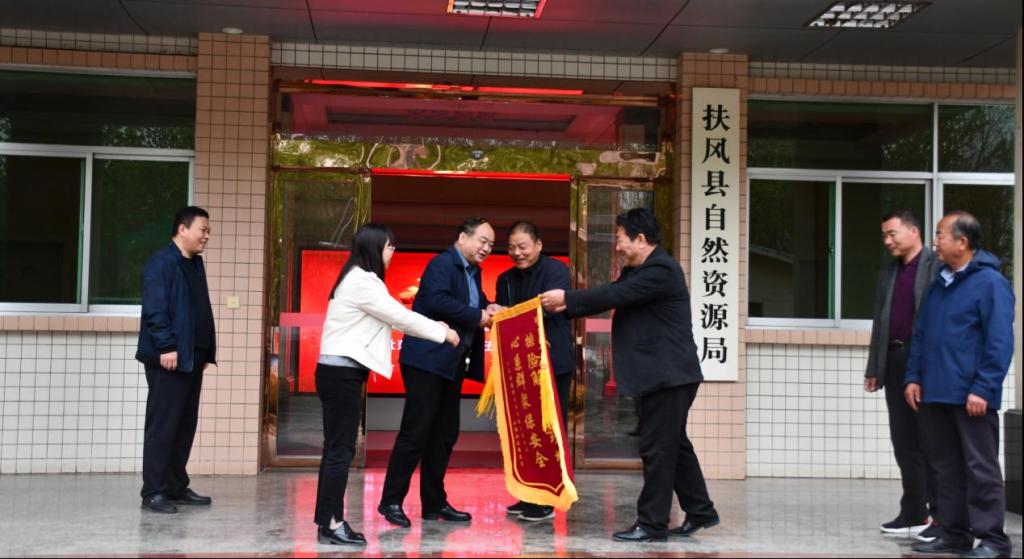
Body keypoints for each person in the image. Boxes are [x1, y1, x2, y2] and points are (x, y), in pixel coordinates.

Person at [539, 208, 717, 542]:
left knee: (656, 448)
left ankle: (652, 524)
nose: (618, 247)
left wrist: (568, 298)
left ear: (640, 238)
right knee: (674, 445)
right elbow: (610, 293)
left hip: (670, 376)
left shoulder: (661, 269)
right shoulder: (638, 270)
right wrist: (564, 306)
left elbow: (615, 296)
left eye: (620, 239)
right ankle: (700, 510)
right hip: (663, 375)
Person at [313, 223, 460, 546]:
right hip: (341, 375)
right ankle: (332, 524)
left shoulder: (356, 278)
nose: (393, 252)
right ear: (374, 248)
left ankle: (328, 522)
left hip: (337, 372)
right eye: (389, 246)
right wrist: (443, 332)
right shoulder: (362, 281)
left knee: (335, 449)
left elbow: (391, 315)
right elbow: (399, 316)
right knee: (340, 451)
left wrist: (434, 325)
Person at [905, 211, 1014, 559]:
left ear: (962, 242)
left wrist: (983, 388)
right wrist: (913, 376)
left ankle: (993, 540)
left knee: (980, 468)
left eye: (940, 235)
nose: (935, 242)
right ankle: (954, 533)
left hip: (972, 397)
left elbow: (999, 342)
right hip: (936, 392)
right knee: (945, 467)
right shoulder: (939, 283)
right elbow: (921, 335)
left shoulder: (990, 283)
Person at [378, 217, 500, 528]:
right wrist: (477, 315)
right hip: (426, 360)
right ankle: (391, 500)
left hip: (451, 363)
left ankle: (434, 503)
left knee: (445, 434)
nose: (487, 248)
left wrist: (490, 307)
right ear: (462, 238)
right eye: (482, 240)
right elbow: (437, 300)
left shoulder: (472, 272)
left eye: (491, 244)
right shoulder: (442, 264)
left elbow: (473, 303)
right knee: (416, 431)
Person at [864, 210, 940, 540]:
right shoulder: (889, 271)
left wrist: (922, 371)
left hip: (924, 363)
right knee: (904, 442)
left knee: (930, 441)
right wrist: (874, 367)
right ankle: (913, 512)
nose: (887, 241)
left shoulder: (936, 266)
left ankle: (940, 517)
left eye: (892, 233)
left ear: (913, 231)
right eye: (884, 235)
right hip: (894, 359)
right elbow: (880, 320)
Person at [136, 206, 216, 514]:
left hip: (192, 357)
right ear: (182, 229)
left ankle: (175, 486)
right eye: (203, 230)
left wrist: (204, 351)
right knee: (163, 425)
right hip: (169, 357)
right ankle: (153, 492)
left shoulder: (194, 263)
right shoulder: (161, 262)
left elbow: (196, 309)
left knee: (184, 425)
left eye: (208, 231)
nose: (206, 236)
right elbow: (155, 310)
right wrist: (167, 346)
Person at [496, 221, 573, 522]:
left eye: (523, 247)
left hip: (552, 362)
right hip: (519, 366)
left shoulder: (557, 271)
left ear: (538, 245)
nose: (517, 253)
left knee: (549, 431)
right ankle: (528, 494)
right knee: (524, 431)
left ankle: (547, 500)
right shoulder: (505, 279)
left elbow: (549, 308)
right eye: (512, 247)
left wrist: (509, 312)